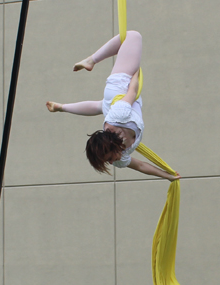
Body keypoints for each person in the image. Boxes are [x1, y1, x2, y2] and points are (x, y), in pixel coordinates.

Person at [46, 31, 180, 182]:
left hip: (121, 86)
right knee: (101, 106)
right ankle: (61, 107)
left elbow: (133, 90)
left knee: (133, 36)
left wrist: (135, 71)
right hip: (114, 106)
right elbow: (141, 166)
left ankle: (91, 60)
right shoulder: (119, 157)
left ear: (111, 146)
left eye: (109, 158)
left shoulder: (119, 115)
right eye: (107, 161)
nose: (111, 162)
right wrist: (167, 175)